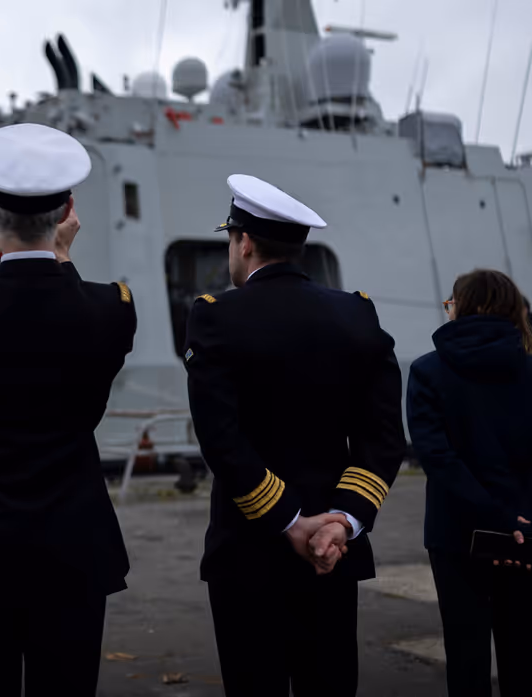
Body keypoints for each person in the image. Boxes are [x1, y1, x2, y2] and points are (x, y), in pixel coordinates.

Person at [0, 123, 136, 696]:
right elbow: (83, 314)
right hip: (73, 547)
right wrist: (61, 260)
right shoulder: (111, 310)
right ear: (68, 211)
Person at [183, 174, 405, 697]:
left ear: (245, 242)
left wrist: (289, 523)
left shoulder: (217, 317)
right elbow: (383, 438)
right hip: (333, 554)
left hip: (249, 549)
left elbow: (222, 439)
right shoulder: (357, 313)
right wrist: (342, 523)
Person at [407, 269, 532, 696]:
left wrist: (491, 516)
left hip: (456, 532)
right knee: (525, 655)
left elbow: (438, 458)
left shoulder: (427, 371)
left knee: (466, 656)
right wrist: (518, 523)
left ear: (461, 307)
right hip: (525, 534)